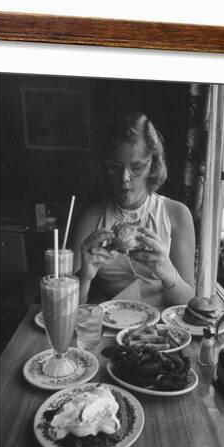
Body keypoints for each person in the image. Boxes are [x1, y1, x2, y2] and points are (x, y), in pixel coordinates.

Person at [72, 111, 195, 307]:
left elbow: (188, 303)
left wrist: (169, 274)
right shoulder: (91, 217)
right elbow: (66, 306)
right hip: (110, 325)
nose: (124, 179)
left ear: (153, 164)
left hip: (161, 329)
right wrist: (84, 278)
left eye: (136, 168)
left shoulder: (177, 215)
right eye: (115, 166)